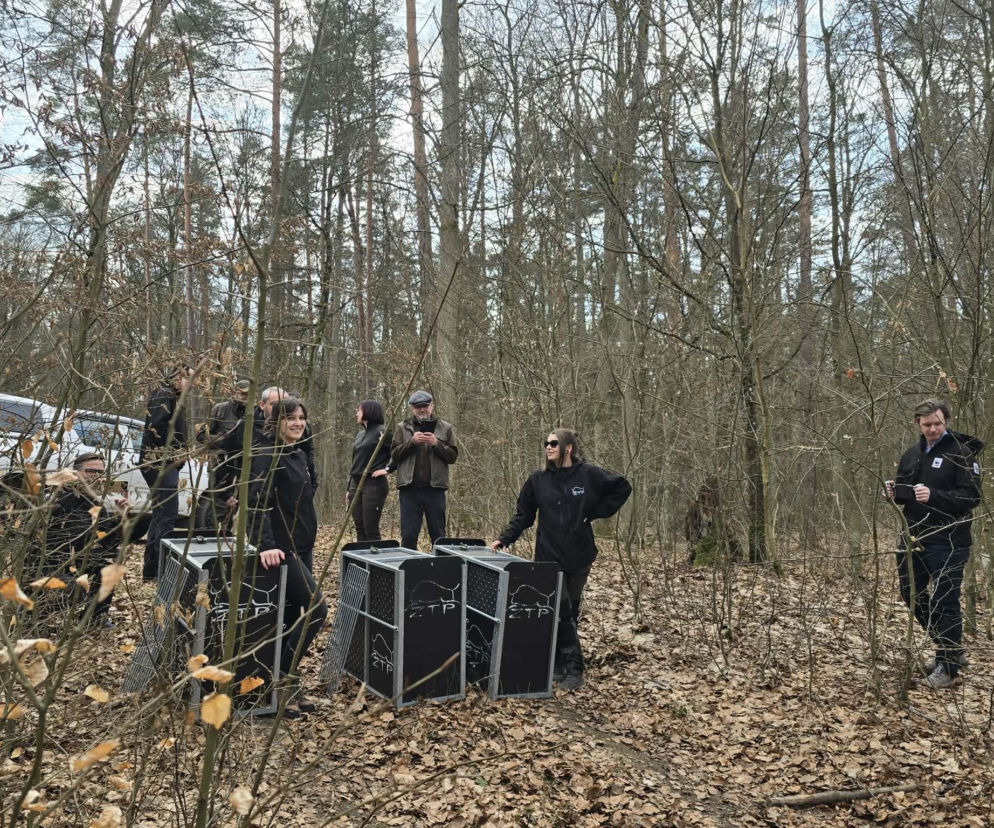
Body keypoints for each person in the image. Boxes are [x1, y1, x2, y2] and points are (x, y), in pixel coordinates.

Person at [490, 429, 631, 691]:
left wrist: (594, 512)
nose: (548, 447)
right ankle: (574, 669)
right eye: (546, 443)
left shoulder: (588, 474)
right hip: (548, 557)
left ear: (568, 447)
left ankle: (560, 663)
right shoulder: (538, 480)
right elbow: (524, 515)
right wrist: (505, 538)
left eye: (554, 443)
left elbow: (622, 487)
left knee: (569, 612)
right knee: (560, 610)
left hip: (579, 555)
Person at [885, 398, 983, 689]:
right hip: (914, 535)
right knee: (910, 593)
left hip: (950, 539)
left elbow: (971, 498)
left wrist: (935, 495)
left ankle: (949, 668)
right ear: (918, 423)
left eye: (938, 423)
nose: (933, 429)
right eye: (927, 424)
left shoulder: (962, 454)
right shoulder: (911, 454)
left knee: (944, 600)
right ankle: (948, 649)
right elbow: (907, 494)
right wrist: (893, 492)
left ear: (947, 421)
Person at [247, 398, 328, 715]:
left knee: (293, 617)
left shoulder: (298, 453)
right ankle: (278, 676)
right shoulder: (267, 455)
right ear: (276, 421)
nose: (298, 423)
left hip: (303, 545)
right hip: (282, 549)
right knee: (318, 609)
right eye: (291, 418)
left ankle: (285, 685)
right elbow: (256, 502)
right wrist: (266, 543)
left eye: (302, 418)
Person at [42, 453, 129, 626]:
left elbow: (107, 542)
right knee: (74, 589)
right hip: (48, 564)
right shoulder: (59, 496)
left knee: (108, 568)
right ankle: (36, 617)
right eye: (91, 471)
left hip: (76, 562)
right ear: (75, 474)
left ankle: (95, 618)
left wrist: (120, 517)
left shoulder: (96, 505)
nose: (97, 477)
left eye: (101, 473)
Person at [139, 365, 193, 580]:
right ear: (178, 377)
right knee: (167, 518)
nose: (193, 384)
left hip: (164, 464)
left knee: (160, 517)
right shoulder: (164, 394)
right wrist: (176, 453)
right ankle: (160, 571)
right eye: (189, 379)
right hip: (160, 465)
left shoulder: (172, 396)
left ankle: (151, 571)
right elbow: (158, 427)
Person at [390, 390, 458, 550]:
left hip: (435, 490)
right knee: (408, 536)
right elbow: (394, 455)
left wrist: (436, 444)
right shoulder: (402, 427)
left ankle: (442, 573)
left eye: (425, 406)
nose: (422, 410)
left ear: (432, 406)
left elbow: (453, 457)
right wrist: (411, 442)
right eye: (417, 406)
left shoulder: (445, 428)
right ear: (412, 408)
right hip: (409, 490)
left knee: (439, 535)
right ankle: (408, 573)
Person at [200, 379, 250, 528]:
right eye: (242, 394)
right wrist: (225, 440)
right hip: (220, 466)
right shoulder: (220, 409)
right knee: (216, 510)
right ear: (234, 392)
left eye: (248, 395)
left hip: (242, 469)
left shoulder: (252, 413)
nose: (245, 398)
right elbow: (203, 435)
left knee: (234, 511)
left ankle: (227, 540)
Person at [347, 400, 391, 542]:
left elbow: (400, 452)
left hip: (374, 484)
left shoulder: (383, 432)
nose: (357, 413)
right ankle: (361, 562)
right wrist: (349, 488)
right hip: (356, 483)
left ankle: (376, 564)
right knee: (359, 528)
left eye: (359, 410)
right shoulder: (360, 435)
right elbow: (355, 462)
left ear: (368, 411)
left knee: (370, 528)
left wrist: (387, 469)